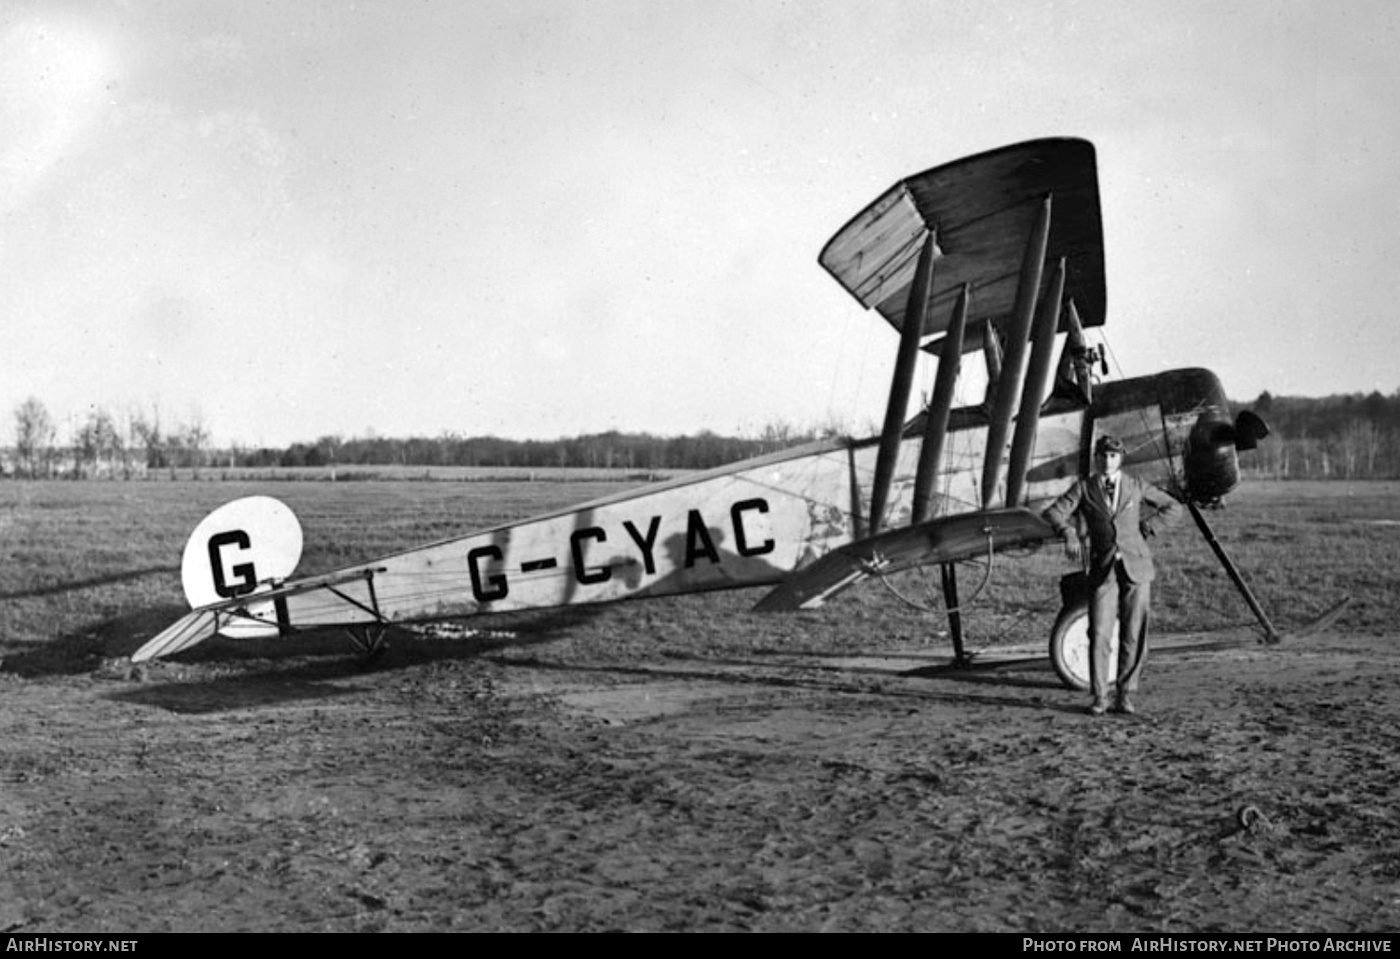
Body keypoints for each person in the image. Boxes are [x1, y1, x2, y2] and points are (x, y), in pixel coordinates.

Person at [1043, 434, 1182, 716]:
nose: (1108, 461)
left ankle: (1126, 695)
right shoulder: (1084, 488)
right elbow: (1054, 512)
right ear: (1096, 458)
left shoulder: (1135, 485)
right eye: (1103, 456)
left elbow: (1173, 507)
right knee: (1099, 632)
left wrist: (1148, 527)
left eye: (1113, 456)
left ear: (1121, 459)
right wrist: (1068, 532)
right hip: (1103, 569)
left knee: (1133, 632)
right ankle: (1099, 697)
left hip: (1136, 567)